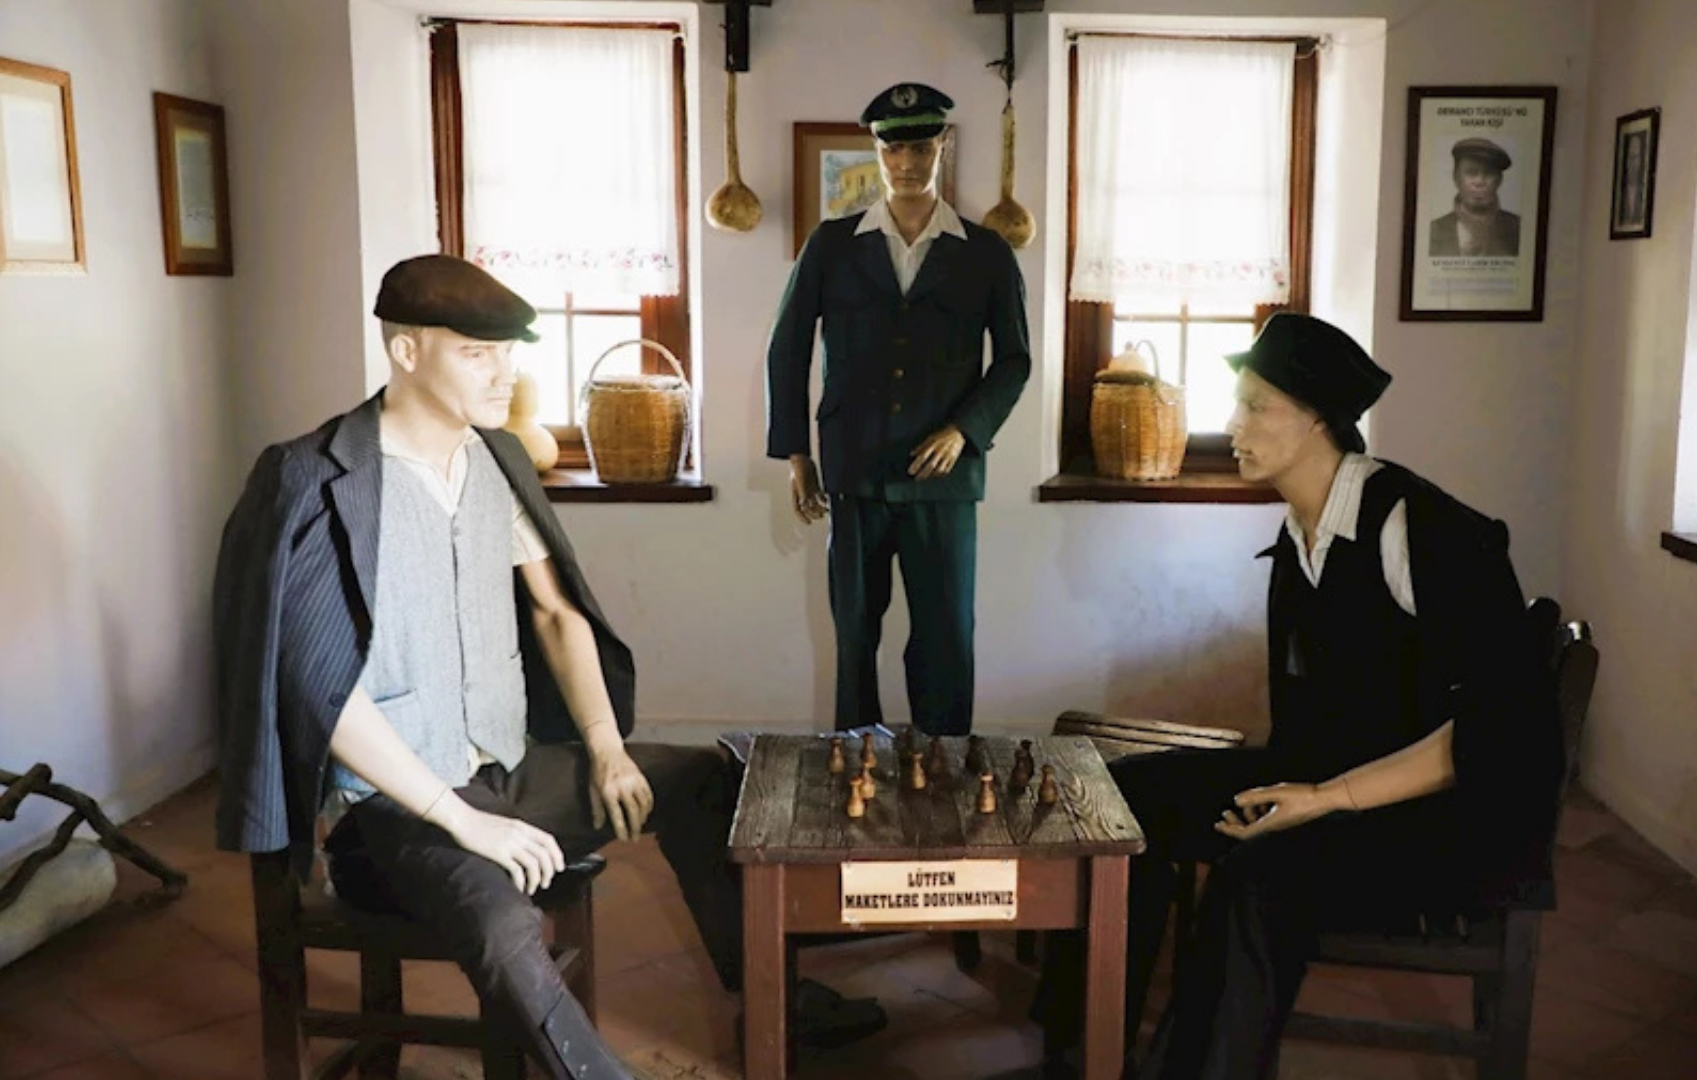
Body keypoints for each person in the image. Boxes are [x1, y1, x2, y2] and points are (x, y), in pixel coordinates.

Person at [213, 255, 883, 1080]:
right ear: (406, 352)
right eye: (477, 354)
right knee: (503, 922)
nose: (505, 374)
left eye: (508, 352)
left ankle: (777, 1002)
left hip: (510, 770)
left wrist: (604, 748)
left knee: (703, 781)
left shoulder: (496, 459)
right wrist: (463, 823)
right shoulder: (319, 478)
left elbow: (555, 614)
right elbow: (322, 693)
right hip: (390, 814)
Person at [1031, 313, 1564, 1080]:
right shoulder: (1300, 533)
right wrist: (1303, 789)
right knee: (1121, 799)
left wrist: (1322, 800)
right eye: (1237, 404)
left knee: (1254, 878)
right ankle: (1082, 1047)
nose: (1233, 426)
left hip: (1446, 817)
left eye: (1256, 406)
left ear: (1320, 420)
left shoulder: (1420, 528)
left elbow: (1503, 730)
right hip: (1328, 776)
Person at [766, 81, 1031, 736]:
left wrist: (965, 431)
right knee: (855, 634)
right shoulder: (832, 245)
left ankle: (946, 767)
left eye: (920, 147)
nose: (907, 163)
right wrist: (797, 455)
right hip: (856, 470)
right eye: (892, 149)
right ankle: (853, 763)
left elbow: (1014, 360)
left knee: (947, 637)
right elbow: (788, 349)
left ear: (942, 146)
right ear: (876, 151)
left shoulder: (986, 252)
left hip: (945, 479)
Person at [1429, 137, 1523, 257]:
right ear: (1456, 178)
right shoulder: (1434, 230)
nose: (1479, 181)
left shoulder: (1517, 228)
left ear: (1499, 180)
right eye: (1471, 172)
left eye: (1488, 173)